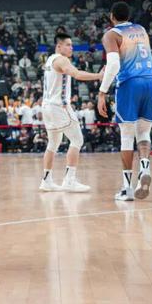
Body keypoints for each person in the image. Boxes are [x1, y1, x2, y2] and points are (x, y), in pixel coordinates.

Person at [98, 1, 152, 201]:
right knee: (144, 132)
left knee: (126, 136)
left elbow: (114, 65)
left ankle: (127, 189)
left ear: (111, 16)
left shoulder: (111, 34)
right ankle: (145, 167)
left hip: (130, 83)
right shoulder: (141, 29)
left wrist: (102, 92)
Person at [39, 33, 102, 193]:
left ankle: (46, 181)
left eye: (72, 45)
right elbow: (77, 74)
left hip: (47, 106)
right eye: (68, 44)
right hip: (58, 106)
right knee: (77, 140)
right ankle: (69, 181)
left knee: (53, 144)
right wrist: (98, 76)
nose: (71, 47)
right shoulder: (61, 60)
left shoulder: (50, 59)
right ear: (59, 46)